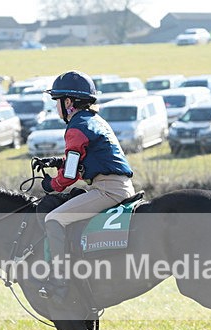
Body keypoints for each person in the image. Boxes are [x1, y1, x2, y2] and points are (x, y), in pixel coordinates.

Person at [31, 71, 135, 301]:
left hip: (108, 190)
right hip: (117, 185)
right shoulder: (93, 120)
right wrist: (56, 162)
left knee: (54, 219)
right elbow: (82, 161)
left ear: (68, 102)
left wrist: (51, 184)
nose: (56, 107)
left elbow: (69, 175)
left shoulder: (76, 127)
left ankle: (58, 280)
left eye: (57, 101)